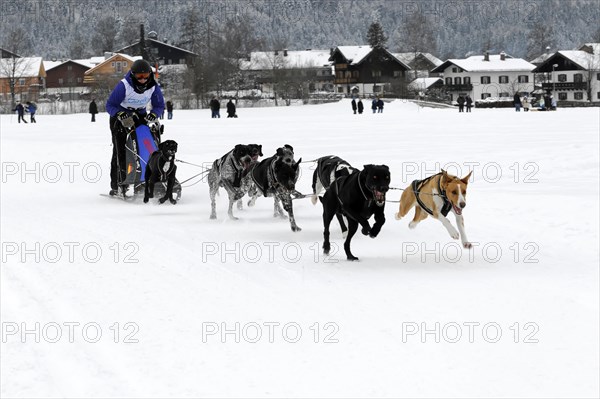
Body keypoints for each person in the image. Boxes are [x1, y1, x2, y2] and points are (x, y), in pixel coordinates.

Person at [105, 59, 165, 197]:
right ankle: (118, 185)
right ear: (133, 75)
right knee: (120, 150)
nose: (143, 79)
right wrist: (120, 114)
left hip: (140, 116)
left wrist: (154, 115)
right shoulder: (124, 86)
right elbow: (110, 105)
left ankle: (151, 177)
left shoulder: (153, 87)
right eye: (139, 76)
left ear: (150, 75)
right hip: (120, 117)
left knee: (148, 146)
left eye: (145, 76)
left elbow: (159, 105)